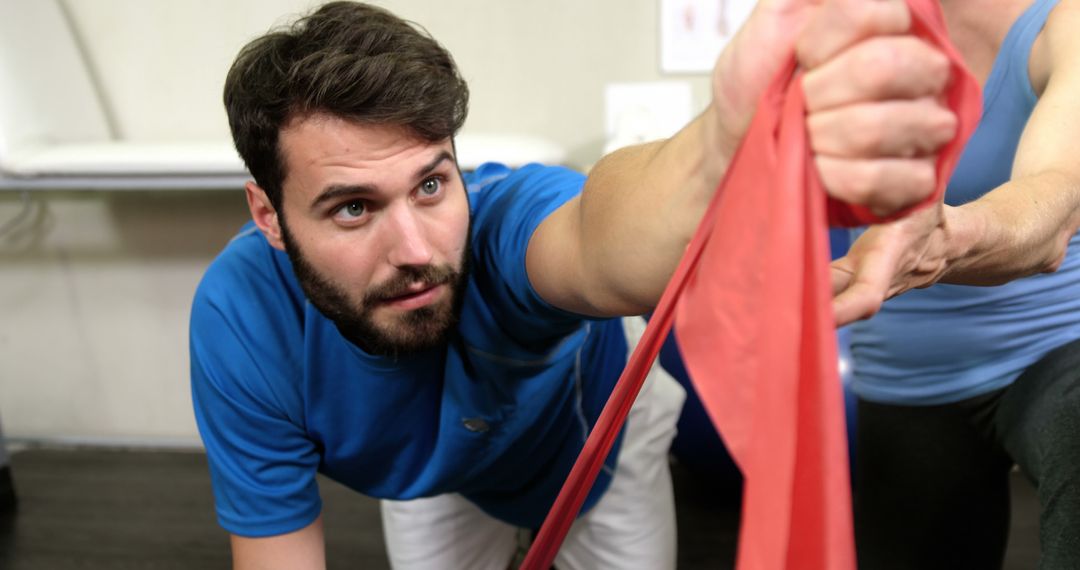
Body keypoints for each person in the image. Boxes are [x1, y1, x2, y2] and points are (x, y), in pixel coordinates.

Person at [190, 1, 958, 568]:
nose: (417, 249)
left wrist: (719, 155)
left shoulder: (500, 231)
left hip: (598, 436)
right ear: (269, 213)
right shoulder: (241, 323)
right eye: (354, 208)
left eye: (431, 185)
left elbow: (596, 234)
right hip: (439, 474)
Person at [829, 0, 1080, 567]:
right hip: (905, 372)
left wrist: (949, 238)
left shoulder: (1063, 23)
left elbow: (1056, 194)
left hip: (1058, 343)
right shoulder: (840, 28)